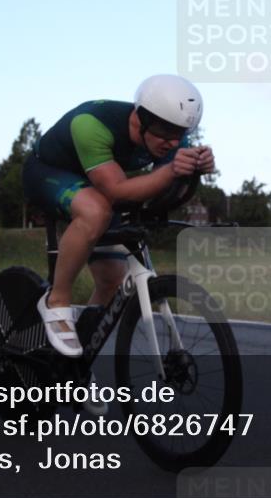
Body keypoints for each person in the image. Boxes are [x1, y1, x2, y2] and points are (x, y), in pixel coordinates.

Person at [23, 74, 216, 360]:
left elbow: (161, 190)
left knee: (112, 281)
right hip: (47, 173)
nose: (173, 141)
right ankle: (57, 300)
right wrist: (172, 170)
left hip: (98, 184)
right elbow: (117, 190)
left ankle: (74, 365)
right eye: (165, 131)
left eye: (180, 132)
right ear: (142, 118)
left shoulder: (170, 137)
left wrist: (194, 170)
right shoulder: (91, 123)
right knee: (96, 210)